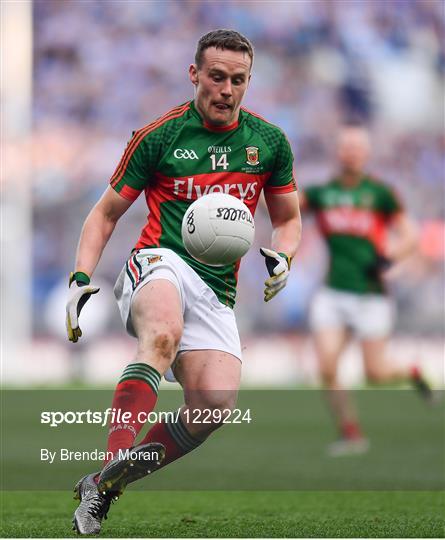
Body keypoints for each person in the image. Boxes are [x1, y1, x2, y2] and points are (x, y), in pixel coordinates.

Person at [66, 29, 301, 534]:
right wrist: (80, 279)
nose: (226, 90)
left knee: (215, 405)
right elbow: (105, 214)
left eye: (238, 80)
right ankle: (114, 460)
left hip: (216, 291)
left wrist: (283, 255)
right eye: (216, 77)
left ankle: (104, 486)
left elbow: (288, 219)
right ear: (194, 74)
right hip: (158, 262)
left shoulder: (270, 142)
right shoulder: (160, 135)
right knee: (163, 335)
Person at [299, 125, 432, 457]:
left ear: (366, 153)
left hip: (371, 292)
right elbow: (285, 209)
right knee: (327, 366)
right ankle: (351, 433)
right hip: (333, 292)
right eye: (346, 147)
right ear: (337, 151)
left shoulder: (380, 194)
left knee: (375, 372)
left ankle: (412, 370)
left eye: (358, 147)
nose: (351, 153)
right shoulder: (321, 193)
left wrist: (389, 258)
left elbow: (410, 235)